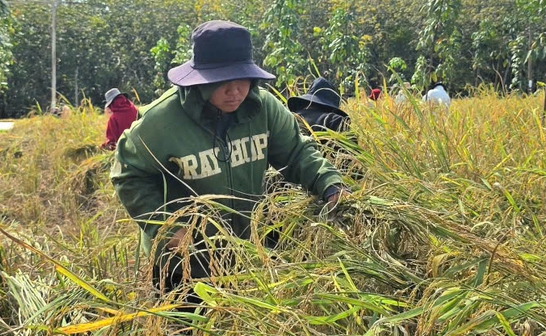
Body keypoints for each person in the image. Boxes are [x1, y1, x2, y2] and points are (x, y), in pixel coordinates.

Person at [110, 20, 348, 300]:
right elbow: (128, 174)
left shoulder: (264, 108)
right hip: (182, 264)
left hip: (242, 254)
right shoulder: (161, 122)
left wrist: (330, 185)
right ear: (201, 80)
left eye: (242, 79)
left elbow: (296, 152)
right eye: (223, 81)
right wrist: (166, 227)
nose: (235, 91)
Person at [287, 77, 362, 179]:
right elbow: (350, 159)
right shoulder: (335, 121)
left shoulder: (289, 119)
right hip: (328, 183)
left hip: (285, 183)